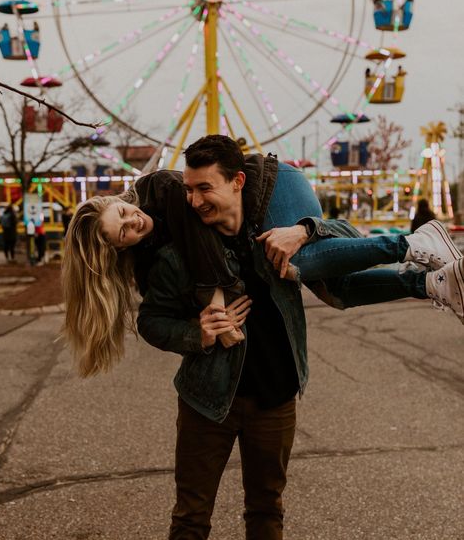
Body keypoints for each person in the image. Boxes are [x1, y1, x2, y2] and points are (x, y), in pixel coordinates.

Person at [135, 136, 462, 540]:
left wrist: (304, 229)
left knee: (268, 504)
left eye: (204, 188)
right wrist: (196, 332)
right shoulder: (183, 252)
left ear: (236, 182)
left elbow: (340, 239)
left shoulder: (280, 226)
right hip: (208, 401)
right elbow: (151, 321)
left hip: (277, 395)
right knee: (192, 514)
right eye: (188, 190)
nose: (194, 201)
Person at [62, 145, 463, 378]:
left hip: (271, 184)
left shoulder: (161, 189)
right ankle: (429, 283)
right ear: (118, 249)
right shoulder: (147, 255)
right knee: (336, 292)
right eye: (124, 233)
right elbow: (158, 309)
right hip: (256, 203)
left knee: (290, 254)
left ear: (116, 200)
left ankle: (412, 242)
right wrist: (198, 329)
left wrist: (218, 302)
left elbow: (205, 252)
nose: (133, 222)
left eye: (123, 213)